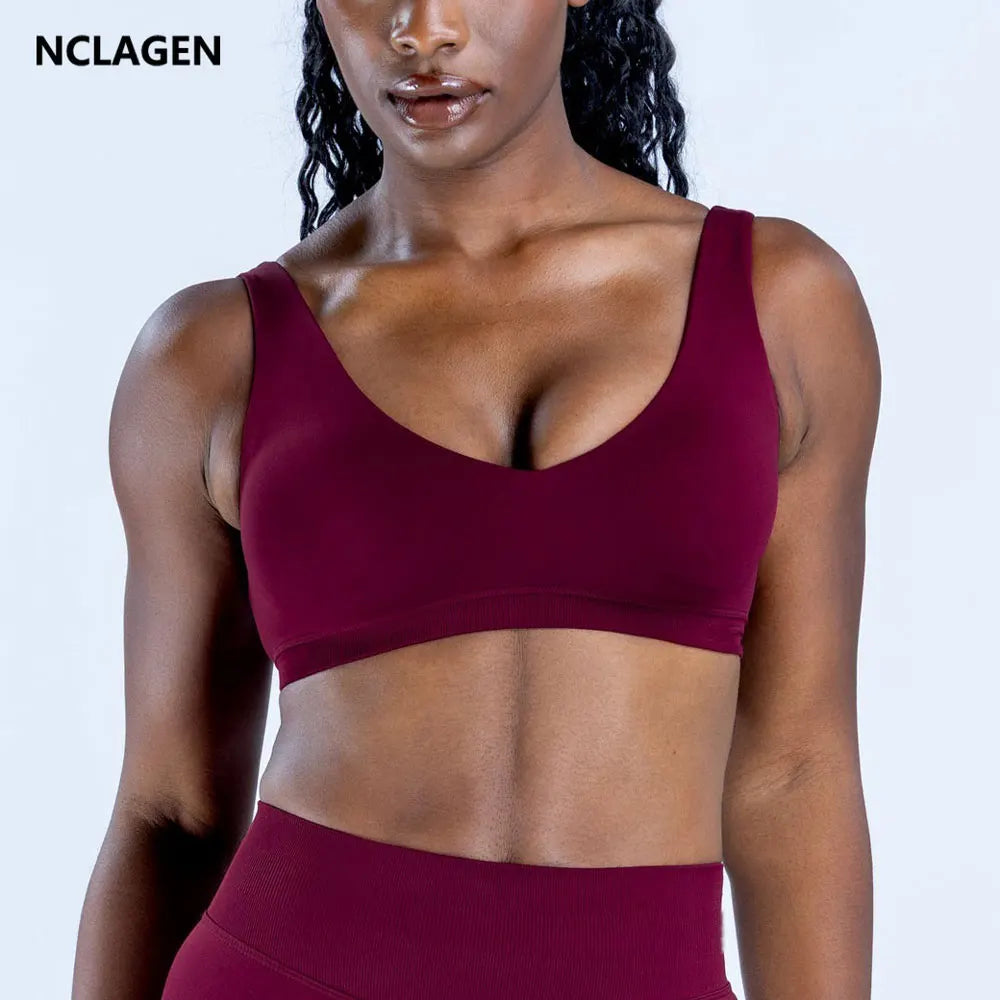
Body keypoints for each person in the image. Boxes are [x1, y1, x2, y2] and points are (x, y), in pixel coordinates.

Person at [72, 2, 879, 998]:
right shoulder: (209, 356)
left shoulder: (781, 302)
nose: (421, 29)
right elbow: (171, 811)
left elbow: (794, 771)